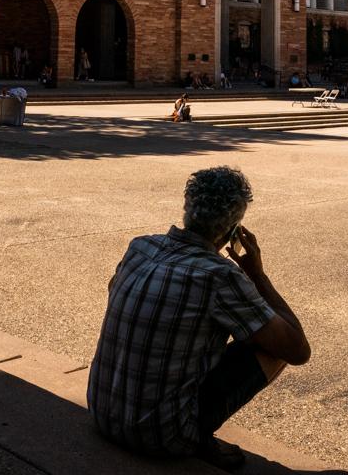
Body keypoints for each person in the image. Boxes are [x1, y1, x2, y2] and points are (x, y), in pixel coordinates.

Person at [88, 167, 309, 470]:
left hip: (103, 413)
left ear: (187, 208)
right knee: (270, 347)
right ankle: (197, 436)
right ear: (233, 231)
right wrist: (258, 275)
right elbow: (297, 349)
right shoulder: (220, 276)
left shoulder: (140, 247)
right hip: (161, 437)